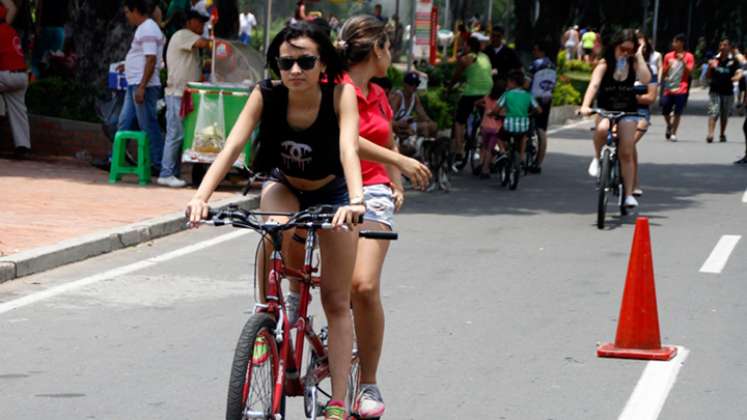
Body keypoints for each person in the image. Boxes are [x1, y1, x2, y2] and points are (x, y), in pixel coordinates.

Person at [186, 22, 363, 420]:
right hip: (285, 185)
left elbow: (349, 149)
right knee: (272, 225)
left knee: (336, 300)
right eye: (286, 62)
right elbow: (232, 145)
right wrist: (201, 197)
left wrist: (355, 200)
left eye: (305, 60)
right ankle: (268, 312)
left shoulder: (340, 96)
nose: (295, 70)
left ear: (322, 64)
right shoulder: (265, 94)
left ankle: (337, 399)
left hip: (333, 195)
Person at [580, 29, 651, 210]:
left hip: (627, 111)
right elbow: (594, 84)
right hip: (606, 109)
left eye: (630, 49)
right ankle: (597, 158)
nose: (625, 53)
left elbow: (646, 79)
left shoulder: (633, 63)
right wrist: (585, 105)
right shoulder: (605, 64)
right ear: (614, 46)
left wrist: (639, 56)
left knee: (626, 151)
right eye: (622, 49)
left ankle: (628, 194)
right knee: (602, 129)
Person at [159, 9, 210, 188]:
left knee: (180, 135)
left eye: (204, 23)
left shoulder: (191, 42)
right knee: (175, 134)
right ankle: (166, 173)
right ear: (189, 22)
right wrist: (218, 41)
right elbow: (206, 43)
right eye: (199, 22)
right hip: (176, 94)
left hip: (185, 95)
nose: (202, 26)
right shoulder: (183, 35)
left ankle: (174, 173)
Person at [118, 0, 166, 175]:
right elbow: (143, 56)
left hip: (142, 85)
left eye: (127, 12)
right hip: (135, 83)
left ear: (135, 10)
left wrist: (142, 87)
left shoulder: (147, 29)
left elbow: (151, 59)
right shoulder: (145, 28)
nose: (127, 16)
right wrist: (127, 65)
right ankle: (116, 157)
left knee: (148, 124)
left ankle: (158, 163)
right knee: (124, 122)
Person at [448, 35, 494, 165]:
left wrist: (449, 88)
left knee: (459, 121)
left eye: (464, 44)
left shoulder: (466, 58)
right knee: (484, 120)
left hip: (472, 92)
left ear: (468, 46)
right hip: (487, 91)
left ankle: (459, 151)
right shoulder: (485, 57)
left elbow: (456, 76)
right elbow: (478, 74)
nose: (463, 46)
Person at [0, 2, 29, 159]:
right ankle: (23, 146)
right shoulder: (10, 30)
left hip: (7, 75)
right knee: (18, 110)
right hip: (22, 76)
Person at [632, 33, 659, 197]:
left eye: (642, 49)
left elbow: (650, 98)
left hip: (640, 113)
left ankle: (634, 183)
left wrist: (632, 97)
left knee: (628, 143)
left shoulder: (650, 71)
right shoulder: (621, 67)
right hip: (619, 110)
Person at [497, 70, 541, 166]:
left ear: (512, 82)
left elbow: (497, 109)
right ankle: (521, 157)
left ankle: (503, 152)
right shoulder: (528, 95)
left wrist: (493, 113)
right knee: (523, 137)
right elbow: (539, 110)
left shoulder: (507, 94)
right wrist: (530, 113)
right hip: (523, 127)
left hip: (508, 127)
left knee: (499, 136)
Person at [706, 38, 744, 143]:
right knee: (713, 112)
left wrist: (736, 77)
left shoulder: (734, 61)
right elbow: (708, 76)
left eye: (725, 45)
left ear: (730, 47)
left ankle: (722, 133)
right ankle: (710, 134)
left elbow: (739, 73)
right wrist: (710, 67)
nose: (723, 47)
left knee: (724, 114)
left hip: (727, 92)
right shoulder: (714, 60)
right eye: (721, 45)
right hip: (715, 90)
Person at [527, 41, 557, 173]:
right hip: (547, 98)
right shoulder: (552, 65)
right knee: (542, 130)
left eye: (535, 49)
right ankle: (538, 163)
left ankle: (521, 157)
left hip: (534, 98)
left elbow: (528, 81)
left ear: (540, 51)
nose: (533, 52)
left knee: (524, 126)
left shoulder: (536, 64)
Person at [661, 33, 695, 142]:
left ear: (681, 43)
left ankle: (674, 133)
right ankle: (669, 125)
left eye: (675, 42)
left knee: (677, 112)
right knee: (665, 110)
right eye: (673, 42)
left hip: (682, 88)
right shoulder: (668, 56)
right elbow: (663, 73)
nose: (673, 44)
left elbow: (690, 73)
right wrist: (668, 67)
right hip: (669, 88)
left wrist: (683, 62)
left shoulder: (689, 56)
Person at [390, 72, 437, 140]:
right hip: (396, 126)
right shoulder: (398, 97)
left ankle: (425, 148)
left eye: (416, 84)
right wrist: (399, 124)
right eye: (411, 84)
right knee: (423, 128)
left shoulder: (415, 97)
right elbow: (390, 120)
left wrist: (429, 121)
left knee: (433, 126)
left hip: (407, 125)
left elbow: (422, 114)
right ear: (405, 84)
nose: (414, 86)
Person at [30, 0, 69, 79]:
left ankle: (34, 84)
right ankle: (49, 83)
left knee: (37, 60)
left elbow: (39, 8)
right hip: (60, 29)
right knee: (54, 62)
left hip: (46, 27)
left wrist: (37, 26)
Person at [483, 25, 521, 94]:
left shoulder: (509, 52)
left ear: (502, 37)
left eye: (498, 36)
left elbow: (518, 68)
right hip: (487, 83)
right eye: (493, 36)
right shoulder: (486, 51)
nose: (495, 38)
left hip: (504, 84)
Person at [475, 83, 502, 178]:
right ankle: (485, 169)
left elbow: (477, 103)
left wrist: (485, 106)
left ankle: (482, 162)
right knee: (490, 149)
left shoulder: (486, 98)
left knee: (485, 147)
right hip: (496, 128)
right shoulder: (501, 101)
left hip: (485, 127)